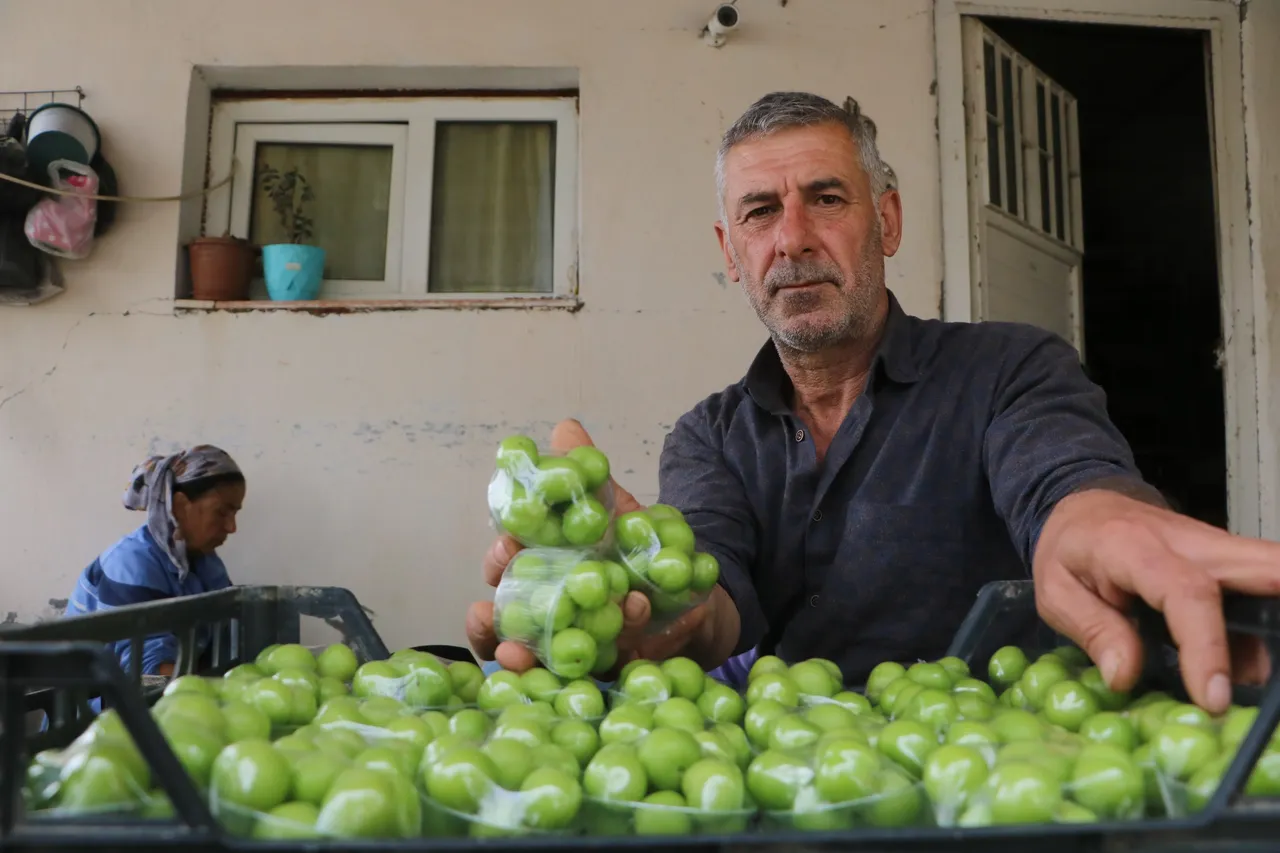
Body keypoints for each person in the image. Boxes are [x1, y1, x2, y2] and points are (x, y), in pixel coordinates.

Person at [467, 92, 1280, 714]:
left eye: (826, 198)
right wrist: (649, 606)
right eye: (759, 212)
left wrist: (1097, 520)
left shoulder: (1008, 368)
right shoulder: (710, 435)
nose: (792, 238)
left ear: (885, 220)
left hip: (998, 778)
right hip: (799, 775)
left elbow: (1065, 480)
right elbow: (718, 601)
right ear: (732, 253)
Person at [65, 444, 245, 676]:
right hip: (101, 706)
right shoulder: (130, 564)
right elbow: (148, 672)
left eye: (235, 513)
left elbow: (225, 640)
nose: (232, 527)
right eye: (222, 512)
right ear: (180, 506)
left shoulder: (206, 563)